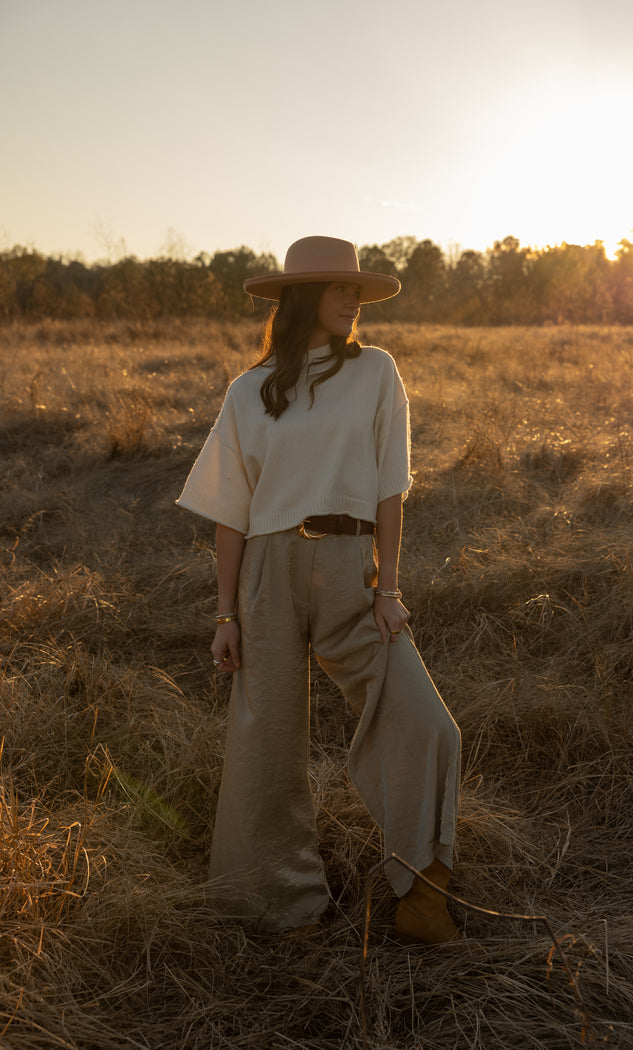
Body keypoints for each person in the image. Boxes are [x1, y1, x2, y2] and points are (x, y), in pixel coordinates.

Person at [177, 236, 462, 944]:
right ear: (302, 297)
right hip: (267, 574)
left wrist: (388, 587)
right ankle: (275, 902)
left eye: (357, 290)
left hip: (349, 570)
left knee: (428, 723)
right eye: (339, 288)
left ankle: (425, 891)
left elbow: (392, 487)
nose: (353, 300)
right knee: (264, 738)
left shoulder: (376, 373)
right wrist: (225, 613)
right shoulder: (250, 389)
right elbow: (231, 515)